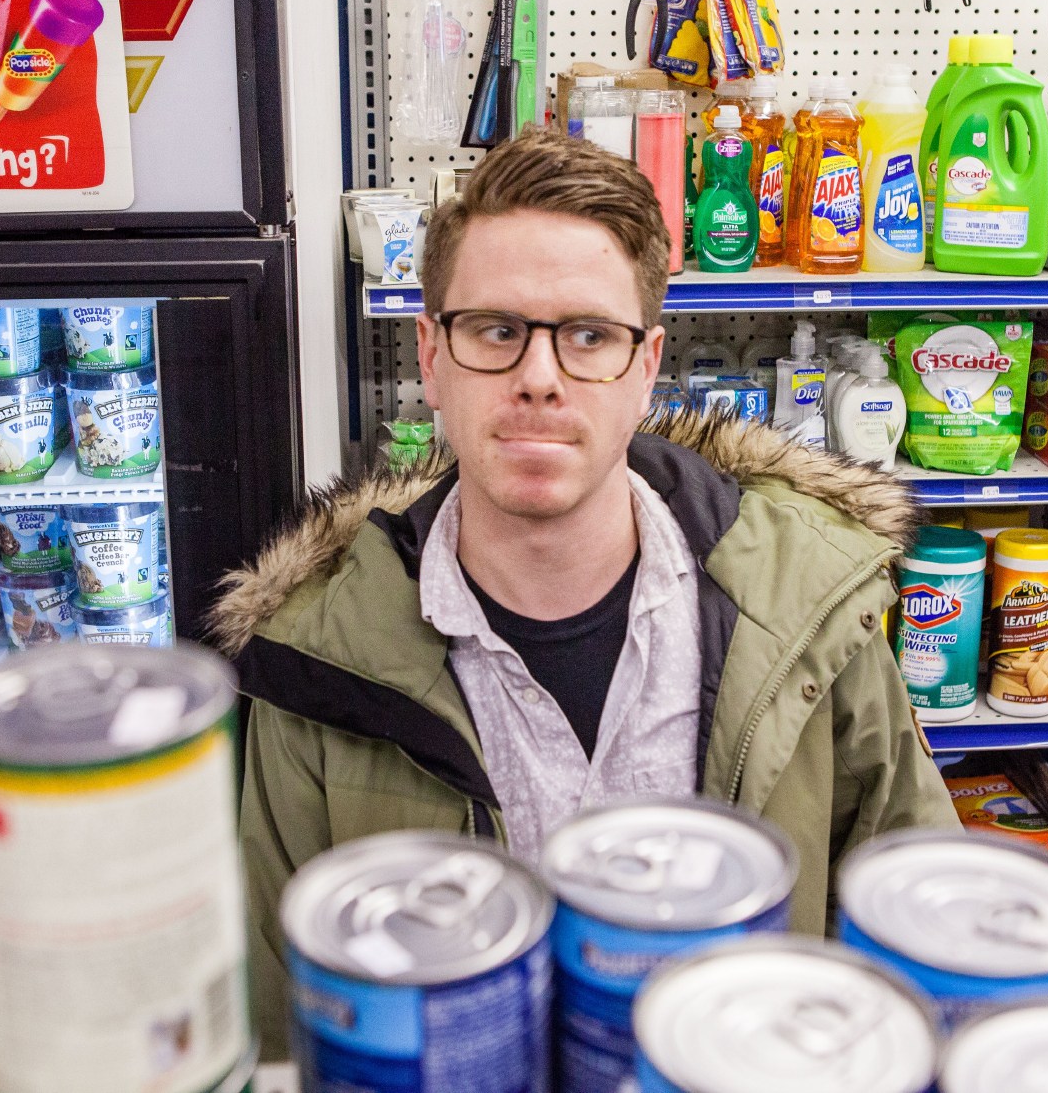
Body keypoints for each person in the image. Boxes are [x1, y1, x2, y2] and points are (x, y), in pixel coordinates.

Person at [210, 127, 954, 1057]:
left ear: (645, 368)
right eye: (496, 331)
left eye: (590, 338)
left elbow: (925, 937)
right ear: (430, 359)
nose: (538, 380)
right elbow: (288, 1030)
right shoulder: (316, 662)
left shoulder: (813, 611)